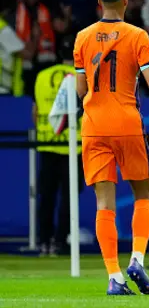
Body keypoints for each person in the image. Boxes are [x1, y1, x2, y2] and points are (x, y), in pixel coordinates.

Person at [73, 0, 149, 295]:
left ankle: (114, 277)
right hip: (127, 123)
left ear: (98, 2)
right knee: (143, 195)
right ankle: (136, 258)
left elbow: (81, 90)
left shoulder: (82, 37)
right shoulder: (137, 35)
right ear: (126, 0)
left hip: (94, 125)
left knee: (103, 204)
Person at [33, 41, 81, 256]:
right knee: (69, 198)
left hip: (47, 142)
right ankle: (61, 242)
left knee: (46, 196)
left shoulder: (42, 77)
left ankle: (43, 242)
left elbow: (35, 111)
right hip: (74, 145)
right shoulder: (80, 76)